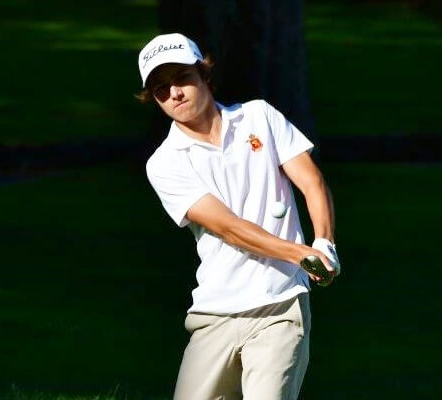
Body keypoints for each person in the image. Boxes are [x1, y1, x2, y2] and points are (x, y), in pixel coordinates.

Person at [136, 33, 341, 400]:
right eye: (161, 89)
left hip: (280, 306)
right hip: (214, 313)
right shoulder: (164, 163)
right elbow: (229, 228)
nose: (174, 93)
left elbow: (312, 182)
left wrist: (324, 243)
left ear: (204, 76)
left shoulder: (259, 116)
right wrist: (301, 254)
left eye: (182, 78)